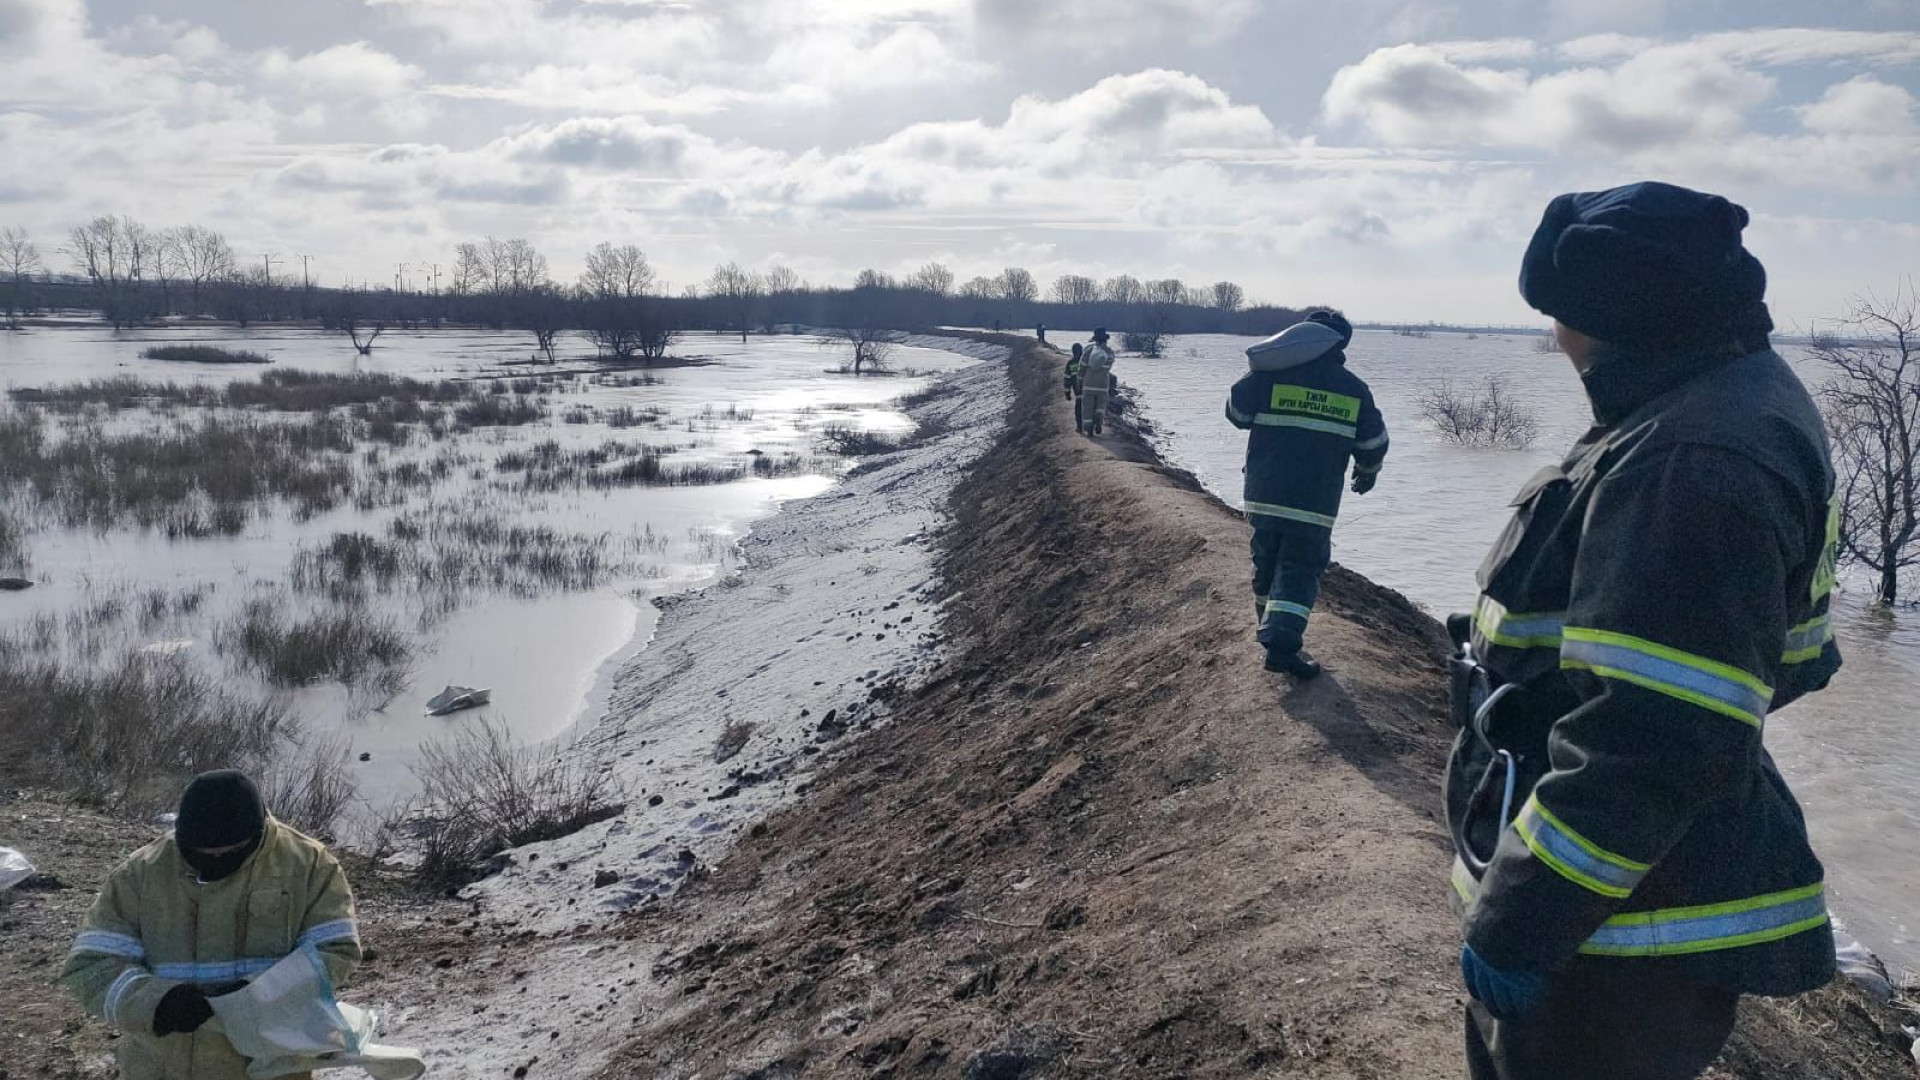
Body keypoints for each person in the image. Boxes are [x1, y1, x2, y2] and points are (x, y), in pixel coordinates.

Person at [1445, 181, 1842, 1080]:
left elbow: (1655, 737)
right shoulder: (1711, 399)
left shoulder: (1691, 460)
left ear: (1617, 318)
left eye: (1560, 317)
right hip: (1623, 904)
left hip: (1617, 939)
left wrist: (1522, 923)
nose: (1555, 339)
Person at [64, 770, 362, 1080]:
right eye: (203, 856)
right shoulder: (141, 874)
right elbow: (91, 966)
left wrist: (257, 994)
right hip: (160, 1068)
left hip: (265, 1069)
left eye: (230, 854)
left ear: (257, 835)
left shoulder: (309, 865)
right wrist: (157, 1002)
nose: (217, 861)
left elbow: (335, 951)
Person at [1226, 309, 1387, 678]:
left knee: (1266, 563)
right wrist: (1367, 473)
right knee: (1300, 568)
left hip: (1263, 494)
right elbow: (1373, 443)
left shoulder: (1269, 377)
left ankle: (1268, 626)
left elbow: (1236, 413)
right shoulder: (1353, 388)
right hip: (1313, 502)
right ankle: (1281, 644)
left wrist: (1260, 374)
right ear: (1341, 344)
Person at [1078, 328, 1115, 435]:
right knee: (1101, 404)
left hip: (1088, 382)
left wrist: (1079, 380)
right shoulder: (1110, 352)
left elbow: (1082, 366)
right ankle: (1098, 419)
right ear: (1105, 340)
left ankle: (1089, 428)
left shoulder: (1088, 350)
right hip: (1103, 383)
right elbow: (1109, 367)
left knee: (1087, 406)